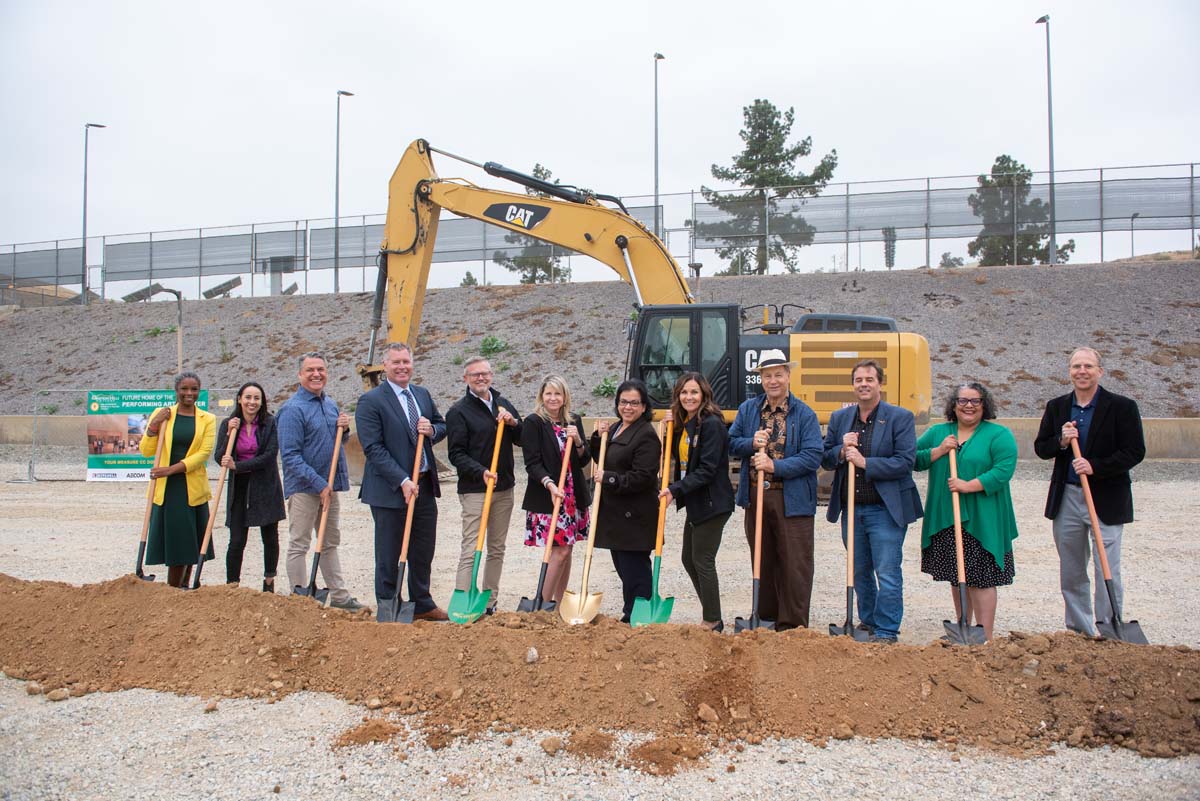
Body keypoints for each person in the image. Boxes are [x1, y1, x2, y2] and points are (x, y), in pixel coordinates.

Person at [1033, 347, 1146, 635]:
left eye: (1088, 366)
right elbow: (1041, 448)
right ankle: (1079, 630)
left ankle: (1109, 627)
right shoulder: (1057, 406)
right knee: (1072, 569)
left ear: (1100, 371)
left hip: (1105, 498)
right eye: (1076, 366)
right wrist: (1061, 440)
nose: (1081, 371)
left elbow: (1134, 451)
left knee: (1107, 565)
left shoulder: (1122, 406)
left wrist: (1095, 466)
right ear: (1069, 371)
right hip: (1067, 497)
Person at [821, 359, 923, 644]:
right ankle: (868, 622)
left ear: (880, 383)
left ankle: (887, 630)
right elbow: (825, 456)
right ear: (853, 385)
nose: (863, 384)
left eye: (869, 379)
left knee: (887, 571)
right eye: (858, 380)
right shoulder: (841, 419)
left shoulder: (899, 417)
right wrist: (842, 450)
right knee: (859, 570)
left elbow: (905, 462)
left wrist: (865, 462)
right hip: (852, 510)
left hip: (885, 510)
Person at [915, 382, 1018, 641]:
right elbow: (913, 458)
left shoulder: (998, 434)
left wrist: (968, 486)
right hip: (948, 515)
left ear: (985, 405)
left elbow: (1003, 470)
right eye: (962, 401)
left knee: (981, 578)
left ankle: (985, 636)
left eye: (975, 401)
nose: (969, 406)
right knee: (957, 574)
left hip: (984, 518)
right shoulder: (939, 432)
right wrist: (938, 451)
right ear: (953, 404)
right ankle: (963, 629)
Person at [729, 349, 824, 630]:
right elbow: (731, 442)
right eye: (767, 375)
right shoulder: (749, 410)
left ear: (788, 376)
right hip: (756, 496)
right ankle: (766, 617)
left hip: (792, 498)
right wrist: (749, 442)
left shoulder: (804, 414)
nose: (773, 381)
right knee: (763, 558)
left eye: (778, 375)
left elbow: (812, 456)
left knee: (795, 563)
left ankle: (792, 624)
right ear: (761, 378)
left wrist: (773, 465)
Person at [355, 342, 447, 621]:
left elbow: (441, 425)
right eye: (396, 362)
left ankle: (422, 602)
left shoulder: (421, 394)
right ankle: (388, 602)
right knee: (388, 550)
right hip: (390, 489)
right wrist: (403, 479)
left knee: (423, 547)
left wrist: (431, 429)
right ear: (385, 366)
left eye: (406, 362)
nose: (402, 367)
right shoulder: (371, 401)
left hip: (424, 486)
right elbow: (373, 448)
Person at [278, 352, 363, 611]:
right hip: (305, 488)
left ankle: (339, 596)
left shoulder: (330, 405)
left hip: (329, 487)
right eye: (310, 370)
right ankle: (300, 599)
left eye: (321, 370)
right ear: (300, 375)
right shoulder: (292, 410)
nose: (317, 374)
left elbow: (337, 446)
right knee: (300, 543)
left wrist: (344, 430)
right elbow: (290, 457)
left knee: (329, 542)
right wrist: (319, 485)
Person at [446, 357, 522, 614]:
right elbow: (456, 454)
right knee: (471, 546)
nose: (481, 378)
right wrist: (481, 472)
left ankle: (489, 601)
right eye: (475, 374)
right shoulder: (458, 412)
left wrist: (513, 423)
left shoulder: (503, 404)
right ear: (465, 378)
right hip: (476, 490)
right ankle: (465, 598)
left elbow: (522, 439)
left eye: (485, 374)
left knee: (496, 548)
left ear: (492, 376)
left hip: (504, 489)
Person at [659, 372, 734, 632]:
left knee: (702, 559)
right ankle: (712, 614)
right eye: (684, 392)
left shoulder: (711, 424)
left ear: (704, 395)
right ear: (678, 396)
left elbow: (707, 469)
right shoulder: (688, 422)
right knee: (688, 559)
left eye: (694, 392)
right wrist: (669, 426)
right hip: (697, 501)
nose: (689, 397)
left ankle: (712, 620)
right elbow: (679, 453)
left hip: (713, 503)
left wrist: (674, 490)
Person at [589, 379, 662, 623]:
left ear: (644, 406)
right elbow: (606, 455)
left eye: (633, 403)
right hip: (617, 516)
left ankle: (638, 616)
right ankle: (631, 611)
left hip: (635, 517)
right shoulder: (619, 427)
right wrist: (598, 438)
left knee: (635, 570)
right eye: (623, 402)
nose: (627, 407)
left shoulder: (646, 436)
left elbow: (642, 477)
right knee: (624, 567)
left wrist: (608, 478)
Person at [140, 371, 217, 588]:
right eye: (184, 389)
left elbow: (203, 454)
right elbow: (146, 451)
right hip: (167, 489)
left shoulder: (207, 419)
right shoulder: (163, 415)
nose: (189, 393)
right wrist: (154, 426)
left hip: (190, 486)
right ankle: (174, 589)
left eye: (194, 389)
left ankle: (185, 586)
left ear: (199, 391)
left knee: (190, 541)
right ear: (176, 391)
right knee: (176, 544)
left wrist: (171, 470)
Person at [520, 376, 591, 606]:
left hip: (572, 495)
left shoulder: (573, 421)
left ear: (564, 397)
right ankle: (542, 604)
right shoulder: (534, 422)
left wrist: (578, 440)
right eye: (548, 393)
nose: (553, 398)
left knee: (567, 550)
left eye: (557, 394)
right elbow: (532, 462)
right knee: (559, 551)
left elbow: (583, 460)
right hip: (550, 494)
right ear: (542, 396)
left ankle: (560, 605)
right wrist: (550, 484)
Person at [213, 381, 287, 592]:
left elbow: (269, 455)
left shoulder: (270, 423)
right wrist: (229, 434)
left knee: (270, 536)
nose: (252, 402)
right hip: (240, 486)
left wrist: (239, 465)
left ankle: (269, 582)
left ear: (262, 401)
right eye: (248, 397)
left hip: (265, 484)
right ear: (239, 399)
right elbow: (220, 456)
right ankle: (232, 585)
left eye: (256, 398)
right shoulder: (229, 423)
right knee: (236, 539)